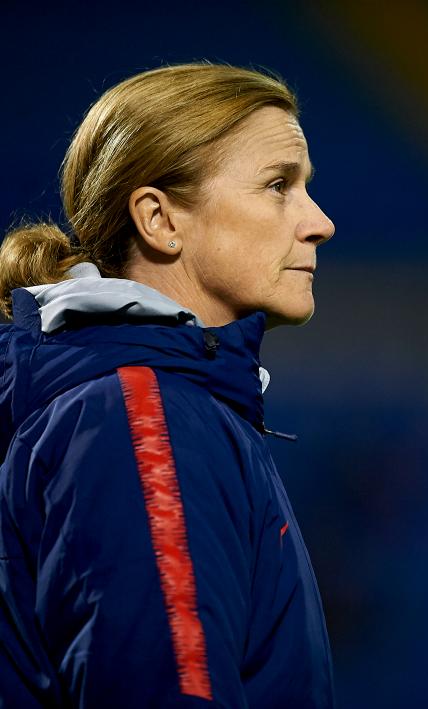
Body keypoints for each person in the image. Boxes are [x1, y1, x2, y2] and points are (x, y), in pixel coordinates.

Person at [0, 63, 335, 707]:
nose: (319, 222)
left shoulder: (151, 404)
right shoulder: (139, 416)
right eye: (277, 185)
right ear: (160, 220)